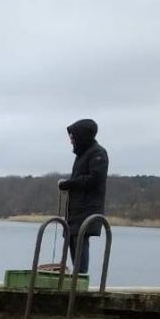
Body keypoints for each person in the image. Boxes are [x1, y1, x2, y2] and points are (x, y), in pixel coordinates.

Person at [58, 118, 109, 275]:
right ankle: (77, 276)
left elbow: (95, 179)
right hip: (76, 208)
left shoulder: (98, 153)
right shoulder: (82, 155)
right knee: (72, 237)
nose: (71, 141)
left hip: (87, 209)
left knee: (80, 239)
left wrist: (68, 184)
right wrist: (69, 184)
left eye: (73, 137)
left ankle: (80, 278)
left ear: (82, 136)